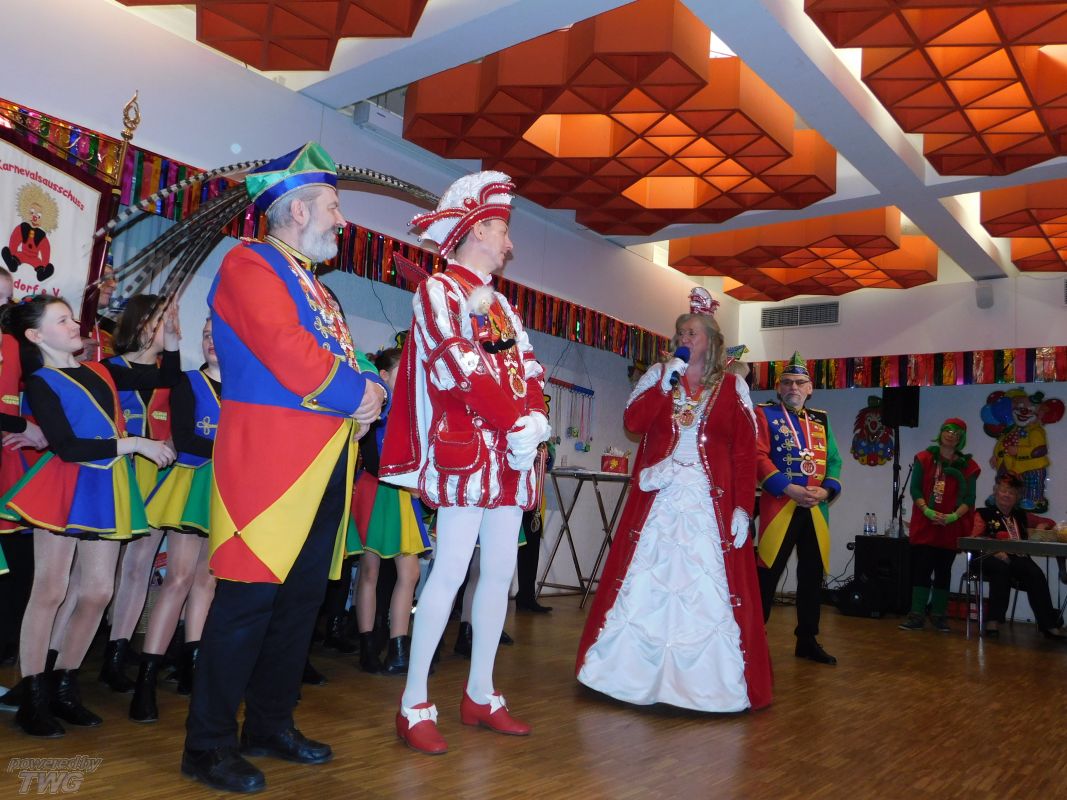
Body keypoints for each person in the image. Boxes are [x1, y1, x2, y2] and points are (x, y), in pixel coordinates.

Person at [180, 142, 387, 793]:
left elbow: (349, 359)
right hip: (268, 466)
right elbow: (287, 350)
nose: (341, 220)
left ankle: (270, 723)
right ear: (298, 210)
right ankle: (207, 744)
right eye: (333, 207)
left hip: (325, 463)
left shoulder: (313, 285)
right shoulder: (249, 263)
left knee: (298, 605)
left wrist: (373, 388)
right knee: (245, 604)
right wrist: (361, 394)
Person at [380, 170, 550, 755]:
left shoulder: (502, 305)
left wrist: (536, 419)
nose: (509, 243)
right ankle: (414, 702)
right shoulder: (438, 291)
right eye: (502, 230)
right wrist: (515, 421)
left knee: (499, 572)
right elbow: (456, 367)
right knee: (450, 571)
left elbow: (528, 368)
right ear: (477, 231)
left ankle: (481, 692)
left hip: (509, 456)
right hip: (467, 454)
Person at [575, 288, 771, 712]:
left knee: (704, 584)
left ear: (711, 342)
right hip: (660, 495)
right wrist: (663, 385)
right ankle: (625, 673)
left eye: (693, 332)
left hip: (708, 500)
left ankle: (703, 684)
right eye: (681, 332)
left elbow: (743, 452)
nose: (685, 338)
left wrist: (744, 507)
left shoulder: (733, 386)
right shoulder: (659, 376)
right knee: (646, 579)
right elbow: (634, 423)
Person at [0, 295, 175, 737]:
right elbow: (67, 447)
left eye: (72, 317)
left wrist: (170, 339)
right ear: (36, 335)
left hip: (106, 486)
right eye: (62, 320)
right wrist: (135, 443)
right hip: (65, 485)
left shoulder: (102, 370)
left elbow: (168, 377)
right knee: (51, 590)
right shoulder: (41, 382)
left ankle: (64, 685)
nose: (74, 324)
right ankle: (33, 696)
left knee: (97, 591)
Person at [132, 318, 222, 721]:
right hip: (192, 485)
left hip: (226, 490)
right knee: (179, 578)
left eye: (218, 335)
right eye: (205, 335)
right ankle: (146, 679)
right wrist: (235, 449)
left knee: (207, 580)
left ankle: (193, 667)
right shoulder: (188, 382)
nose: (210, 342)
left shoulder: (246, 389)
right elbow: (185, 439)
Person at [96, 294, 182, 693]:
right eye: (163, 319)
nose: (171, 326)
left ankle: (116, 654)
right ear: (142, 324)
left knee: (138, 568)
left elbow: (178, 416)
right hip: (115, 475)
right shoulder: (108, 370)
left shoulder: (172, 376)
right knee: (97, 574)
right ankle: (71, 656)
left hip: (156, 480)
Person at [755, 352, 842, 665]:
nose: (793, 387)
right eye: (788, 382)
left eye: (800, 382)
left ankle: (807, 639)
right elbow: (757, 456)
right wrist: (788, 488)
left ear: (810, 388)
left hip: (815, 509)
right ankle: (753, 639)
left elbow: (834, 460)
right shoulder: (764, 414)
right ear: (779, 388)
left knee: (811, 576)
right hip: (781, 505)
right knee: (768, 574)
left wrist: (826, 490)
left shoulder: (821, 419)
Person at [351, 347, 430, 675]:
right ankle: (368, 645)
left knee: (409, 574)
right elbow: (373, 456)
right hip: (379, 490)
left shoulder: (412, 410)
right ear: (383, 376)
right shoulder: (380, 407)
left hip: (403, 495)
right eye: (403, 371)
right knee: (369, 571)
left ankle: (398, 649)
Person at [899, 419, 980, 632]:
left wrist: (953, 517)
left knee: (944, 571)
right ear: (941, 432)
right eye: (948, 430)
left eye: (956, 432)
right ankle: (916, 614)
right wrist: (926, 510)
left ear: (961, 438)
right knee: (922, 570)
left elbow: (970, 498)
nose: (951, 434)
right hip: (926, 524)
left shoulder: (969, 466)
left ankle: (939, 615)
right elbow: (915, 489)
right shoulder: (924, 459)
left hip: (950, 527)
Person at [972, 473, 1067, 639]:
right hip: (986, 557)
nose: (1007, 495)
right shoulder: (983, 514)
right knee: (1001, 570)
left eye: (1012, 492)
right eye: (1004, 491)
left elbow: (1051, 523)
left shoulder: (1021, 515)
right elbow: (974, 539)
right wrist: (994, 551)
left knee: (1036, 573)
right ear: (996, 492)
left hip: (1016, 558)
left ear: (1017, 498)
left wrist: (1043, 525)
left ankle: (1049, 625)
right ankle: (993, 621)